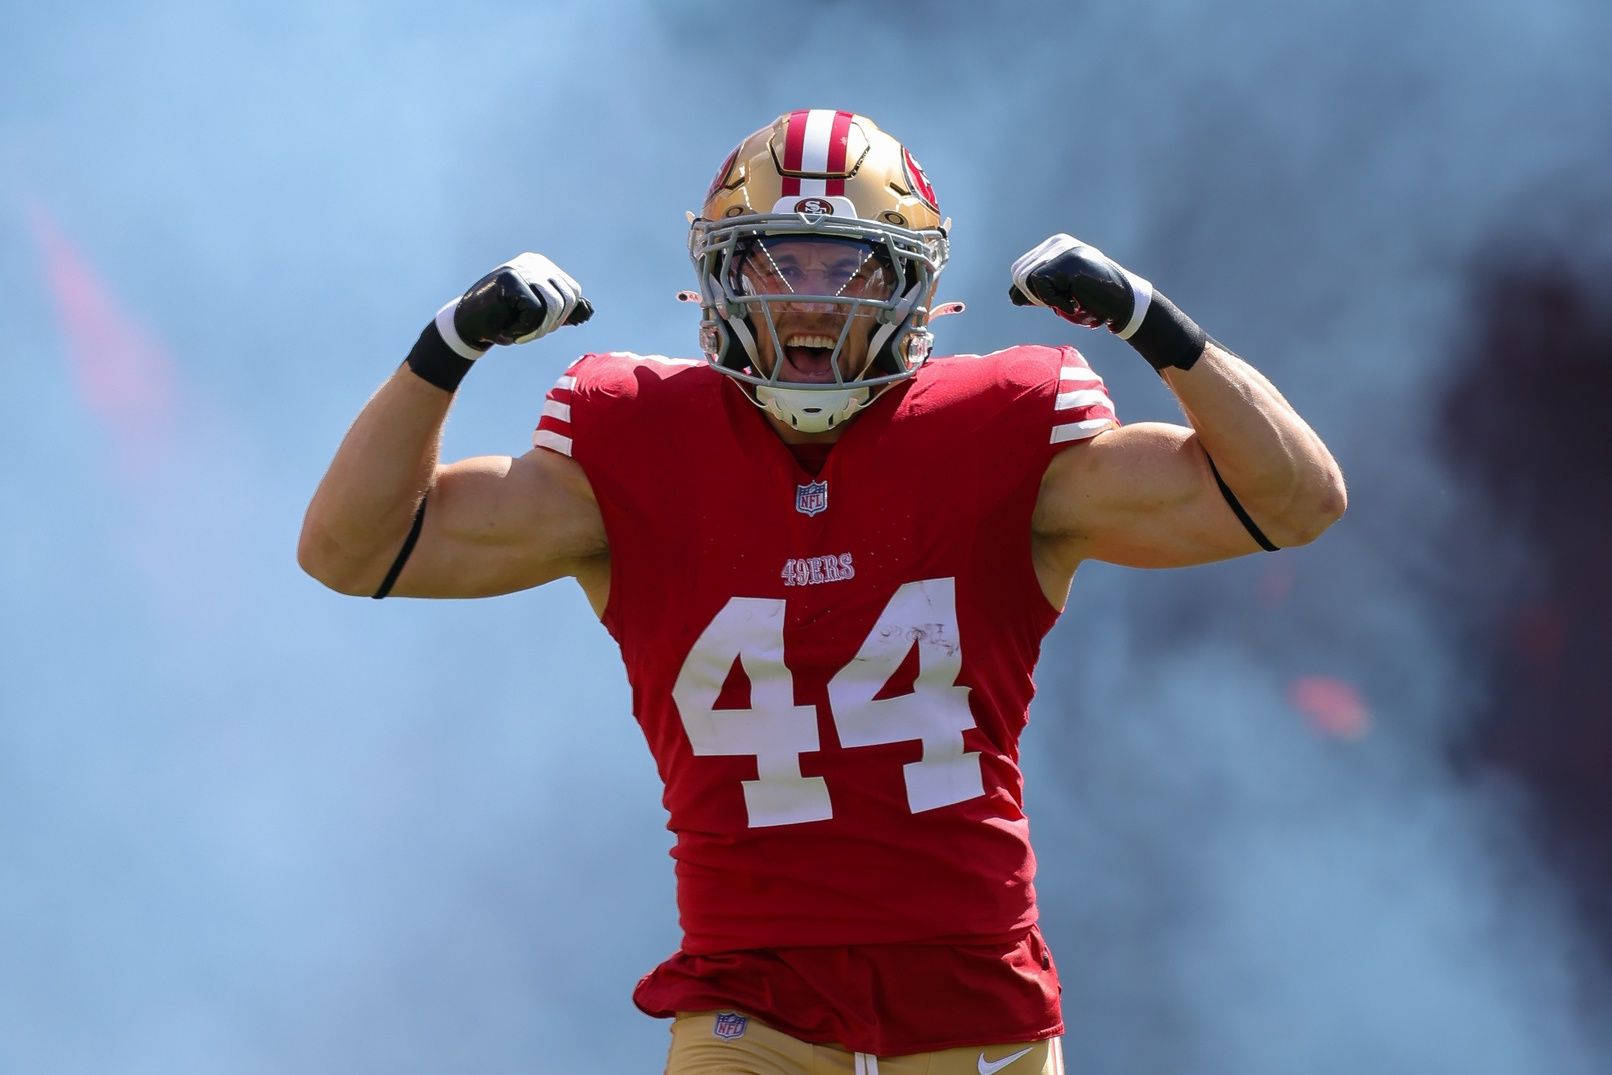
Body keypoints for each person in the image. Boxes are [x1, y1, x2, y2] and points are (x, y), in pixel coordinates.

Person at [298, 109, 1346, 1075]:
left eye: (845, 266)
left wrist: (1153, 322)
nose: (804, 296)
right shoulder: (633, 446)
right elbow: (351, 549)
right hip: (746, 1003)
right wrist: (448, 345)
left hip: (974, 1002)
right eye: (774, 261)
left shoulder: (1006, 433)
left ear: (909, 286)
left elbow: (1294, 501)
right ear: (718, 276)